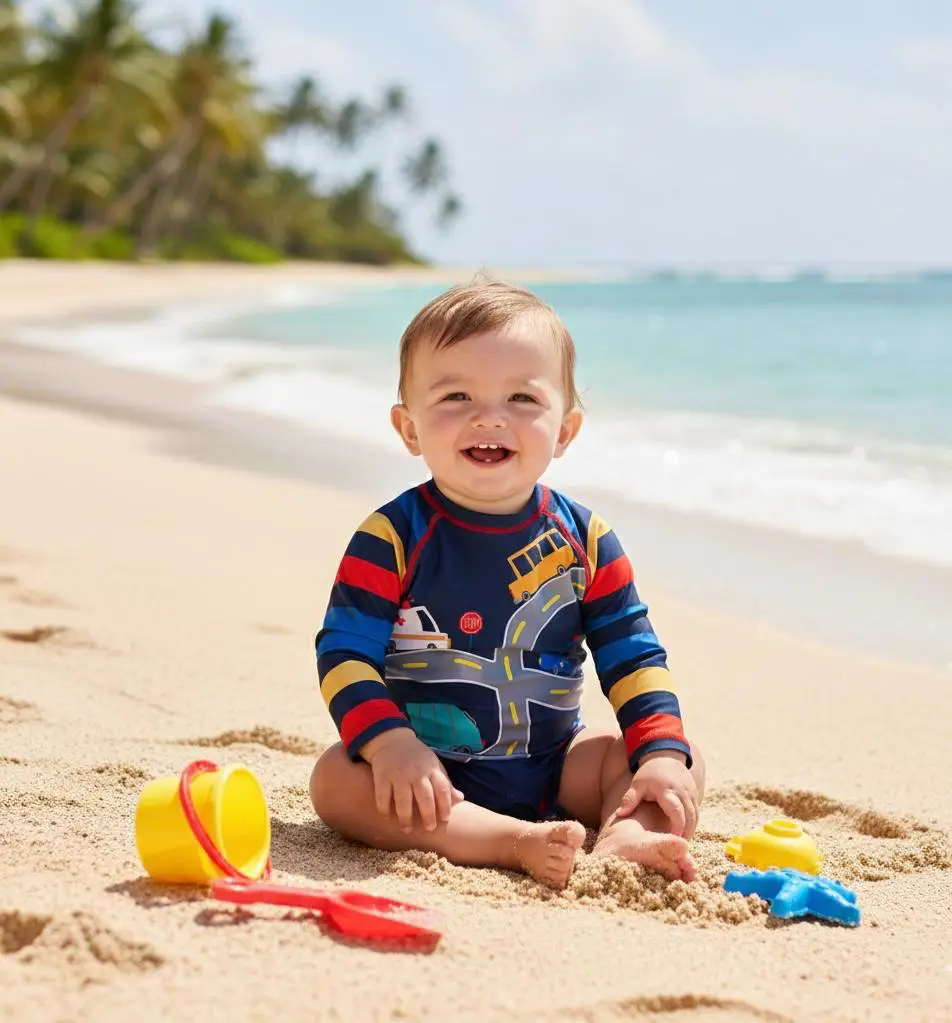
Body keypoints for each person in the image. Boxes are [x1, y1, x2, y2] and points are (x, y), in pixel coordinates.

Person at [309, 280, 705, 889]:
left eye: (522, 397)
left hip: (557, 767)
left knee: (677, 760)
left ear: (565, 430)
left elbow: (633, 655)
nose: (489, 416)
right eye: (456, 395)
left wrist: (658, 754)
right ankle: (507, 840)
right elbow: (343, 653)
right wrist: (389, 744)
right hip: (428, 775)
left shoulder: (586, 540)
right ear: (409, 428)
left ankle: (625, 834)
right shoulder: (391, 537)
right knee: (336, 780)